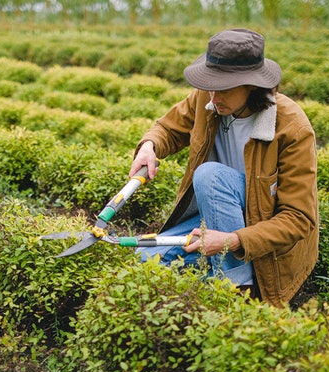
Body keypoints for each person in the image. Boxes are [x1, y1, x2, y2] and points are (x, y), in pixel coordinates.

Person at [129, 28, 318, 307]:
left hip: (261, 231)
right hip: (217, 214)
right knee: (144, 258)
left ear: (252, 86)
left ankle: (237, 287)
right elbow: (168, 128)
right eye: (210, 86)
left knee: (210, 175)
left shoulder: (292, 128)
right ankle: (216, 270)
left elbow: (298, 218)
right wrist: (150, 146)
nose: (213, 98)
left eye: (225, 89)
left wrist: (232, 240)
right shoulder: (207, 99)